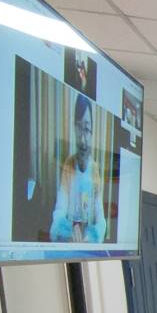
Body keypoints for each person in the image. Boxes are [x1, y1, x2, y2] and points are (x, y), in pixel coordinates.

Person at [49, 93, 105, 243]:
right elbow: (58, 217)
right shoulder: (68, 165)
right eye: (79, 128)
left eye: (86, 129)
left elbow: (101, 220)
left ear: (92, 133)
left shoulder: (95, 170)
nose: (83, 139)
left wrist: (90, 236)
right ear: (74, 129)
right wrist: (70, 231)